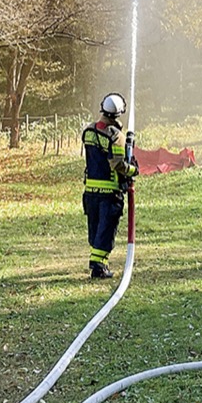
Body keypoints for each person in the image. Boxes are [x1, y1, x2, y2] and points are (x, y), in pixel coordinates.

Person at [81, 93, 137, 278]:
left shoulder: (89, 131)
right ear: (119, 113)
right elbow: (118, 165)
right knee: (106, 231)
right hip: (109, 193)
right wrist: (133, 170)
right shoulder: (116, 136)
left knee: (96, 229)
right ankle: (98, 266)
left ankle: (100, 264)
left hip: (90, 192)